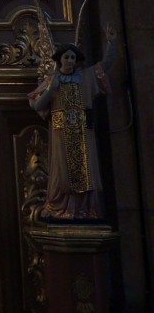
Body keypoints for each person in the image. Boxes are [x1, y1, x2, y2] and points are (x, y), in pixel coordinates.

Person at [28, 26, 117, 221]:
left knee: (86, 167)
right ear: (59, 59)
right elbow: (37, 105)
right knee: (62, 171)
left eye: (72, 57)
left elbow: (106, 65)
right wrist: (51, 89)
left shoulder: (85, 78)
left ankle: (86, 209)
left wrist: (112, 43)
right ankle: (58, 207)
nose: (69, 60)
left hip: (83, 131)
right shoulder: (52, 79)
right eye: (66, 57)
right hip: (61, 132)